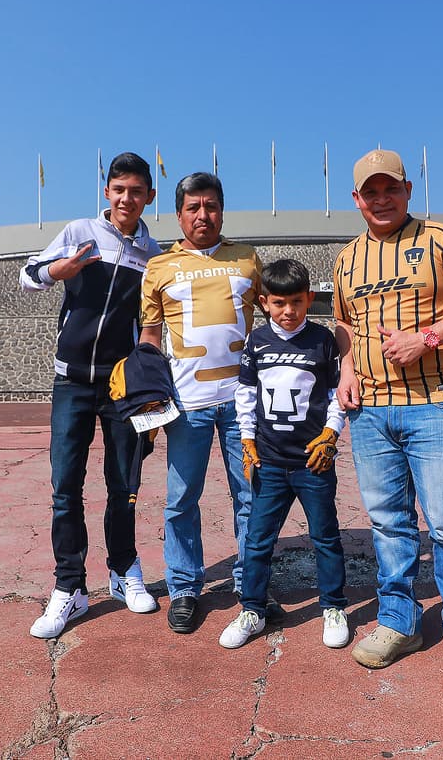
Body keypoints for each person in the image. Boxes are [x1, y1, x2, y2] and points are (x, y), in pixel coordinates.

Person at [333, 148, 443, 713]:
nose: (380, 200)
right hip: (371, 413)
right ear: (356, 199)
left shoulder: (441, 239)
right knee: (387, 525)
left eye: (390, 189)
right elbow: (345, 324)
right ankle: (399, 622)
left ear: (408, 190)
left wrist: (427, 338)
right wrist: (348, 368)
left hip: (435, 404)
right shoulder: (348, 259)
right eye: (369, 192)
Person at [19, 151, 162, 639]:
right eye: (119, 189)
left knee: (124, 485)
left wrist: (153, 396)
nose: (127, 198)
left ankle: (124, 573)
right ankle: (70, 588)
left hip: (122, 386)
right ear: (107, 192)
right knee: (66, 487)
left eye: (136, 191)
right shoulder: (80, 231)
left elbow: (155, 325)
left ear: (150, 197)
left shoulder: (154, 255)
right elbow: (26, 275)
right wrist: (57, 271)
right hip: (73, 382)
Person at [141, 171, 262, 634]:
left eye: (210, 206)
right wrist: (150, 401)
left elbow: (266, 323)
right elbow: (150, 336)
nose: (202, 215)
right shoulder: (159, 266)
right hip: (187, 402)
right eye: (193, 208)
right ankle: (185, 587)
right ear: (178, 215)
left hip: (241, 403)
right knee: (180, 499)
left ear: (222, 210)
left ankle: (250, 583)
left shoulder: (248, 258)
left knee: (250, 495)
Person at [219, 259, 348, 650]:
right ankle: (253, 609)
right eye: (279, 303)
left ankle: (333, 606)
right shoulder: (256, 342)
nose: (288, 311)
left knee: (325, 536)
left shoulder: (322, 340)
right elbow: (245, 393)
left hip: (313, 462)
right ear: (264, 302)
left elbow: (334, 395)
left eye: (296, 301)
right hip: (270, 461)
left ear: (309, 298)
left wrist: (331, 432)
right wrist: (246, 439)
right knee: (257, 539)